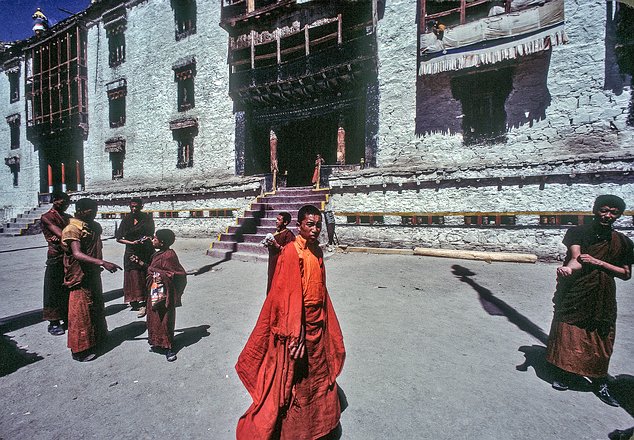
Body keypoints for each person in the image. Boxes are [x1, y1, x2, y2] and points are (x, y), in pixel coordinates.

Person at [236, 205, 346, 440]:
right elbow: (287, 296)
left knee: (317, 376)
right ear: (299, 225)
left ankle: (318, 424)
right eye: (310, 224)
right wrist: (297, 330)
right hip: (298, 327)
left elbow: (321, 289)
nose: (315, 229)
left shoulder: (317, 252)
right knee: (295, 381)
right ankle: (291, 430)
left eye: (318, 225)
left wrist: (325, 322)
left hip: (317, 325)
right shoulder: (290, 252)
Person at [546, 195, 633, 407]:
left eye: (613, 212)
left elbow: (625, 273)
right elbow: (577, 259)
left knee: (601, 334)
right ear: (595, 210)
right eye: (604, 210)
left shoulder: (623, 241)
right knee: (570, 331)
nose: (608, 215)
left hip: (603, 292)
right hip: (578, 288)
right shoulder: (578, 232)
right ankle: (564, 372)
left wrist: (598, 262)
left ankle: (599, 379)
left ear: (619, 215)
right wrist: (568, 268)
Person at [61, 198, 121, 362]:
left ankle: (98, 339)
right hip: (79, 275)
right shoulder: (72, 229)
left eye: (95, 210)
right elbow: (77, 254)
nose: (94, 213)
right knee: (81, 311)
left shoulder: (94, 227)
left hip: (93, 273)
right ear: (80, 210)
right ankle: (80, 349)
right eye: (90, 210)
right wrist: (103, 262)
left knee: (95, 307)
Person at [131, 229, 187, 362]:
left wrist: (163, 277)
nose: (152, 240)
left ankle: (169, 347)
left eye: (154, 239)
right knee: (154, 317)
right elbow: (152, 268)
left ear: (161, 243)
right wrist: (139, 263)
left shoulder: (169, 256)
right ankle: (157, 341)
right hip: (154, 291)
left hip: (165, 294)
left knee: (165, 319)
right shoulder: (158, 254)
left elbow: (179, 275)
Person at [116, 198, 155, 317]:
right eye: (132, 207)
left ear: (141, 207)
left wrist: (145, 239)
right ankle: (133, 300)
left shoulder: (147, 219)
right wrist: (132, 243)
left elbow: (151, 235)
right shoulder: (126, 220)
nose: (134, 209)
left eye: (136, 207)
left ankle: (143, 303)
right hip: (131, 250)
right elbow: (119, 238)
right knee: (132, 275)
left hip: (144, 250)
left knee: (142, 275)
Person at [41, 192, 72, 336]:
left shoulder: (67, 217)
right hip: (55, 256)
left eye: (67, 202)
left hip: (68, 255)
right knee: (53, 289)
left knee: (67, 287)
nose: (65, 205)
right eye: (62, 202)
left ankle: (67, 317)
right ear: (54, 201)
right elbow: (62, 234)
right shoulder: (47, 217)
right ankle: (53, 322)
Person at [263, 212, 295, 294]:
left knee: (279, 284)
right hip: (273, 262)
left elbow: (290, 251)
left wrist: (276, 245)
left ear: (285, 222)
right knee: (271, 280)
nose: (276, 221)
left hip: (281, 264)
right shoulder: (276, 232)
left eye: (279, 220)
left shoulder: (288, 234)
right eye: (276, 219)